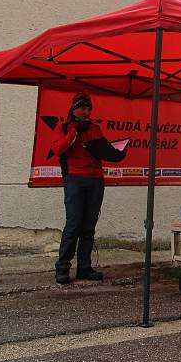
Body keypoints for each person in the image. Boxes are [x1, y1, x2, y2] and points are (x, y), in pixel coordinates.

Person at [51, 92, 126, 285]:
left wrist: (117, 154)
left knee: (89, 226)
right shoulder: (63, 126)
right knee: (74, 223)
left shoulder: (95, 128)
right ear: (74, 108)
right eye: (83, 108)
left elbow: (103, 149)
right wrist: (75, 133)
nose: (86, 112)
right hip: (75, 178)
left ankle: (84, 267)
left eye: (88, 108)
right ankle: (62, 267)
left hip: (95, 179)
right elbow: (58, 149)